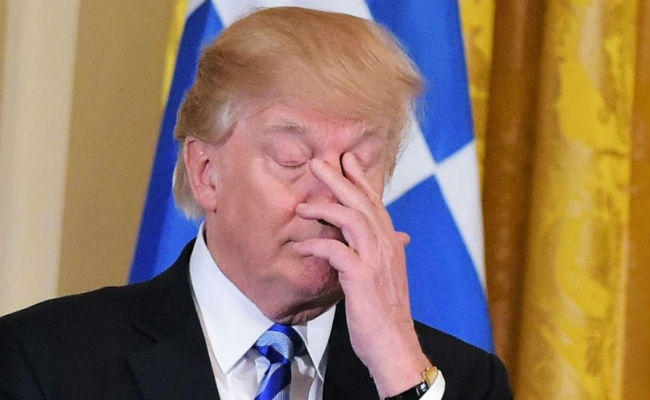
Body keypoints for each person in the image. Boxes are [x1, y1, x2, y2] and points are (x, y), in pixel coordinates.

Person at [0, 7, 512, 400]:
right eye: (293, 159)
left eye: (358, 163)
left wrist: (399, 370)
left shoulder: (459, 381)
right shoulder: (44, 361)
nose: (330, 196)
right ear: (206, 173)